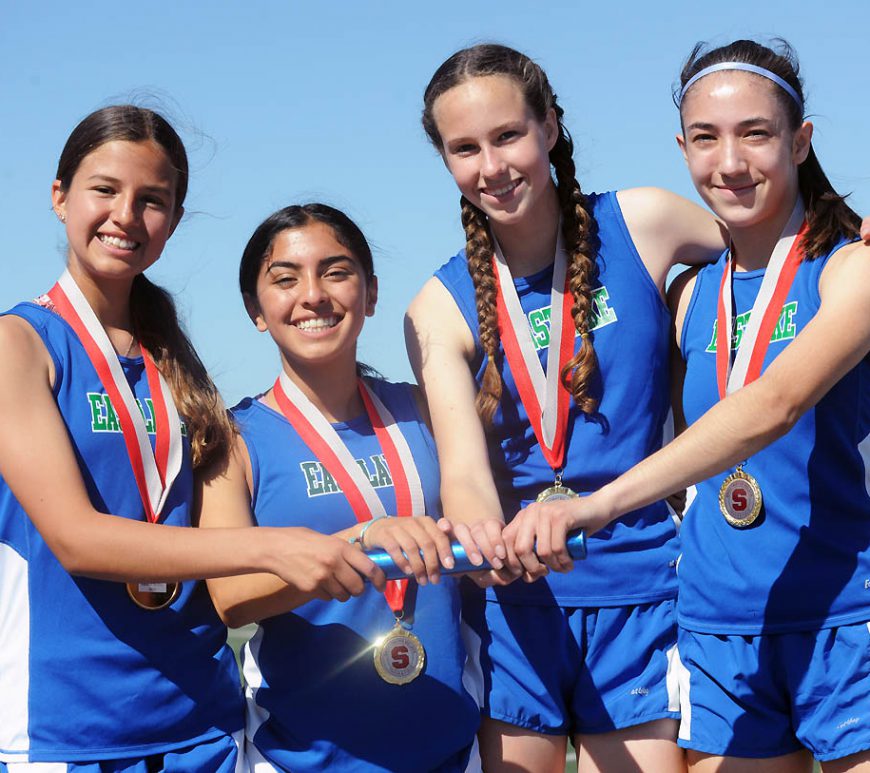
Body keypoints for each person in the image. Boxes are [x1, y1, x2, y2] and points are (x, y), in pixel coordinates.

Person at [505, 39, 870, 771]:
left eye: (755, 133)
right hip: (716, 629)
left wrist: (592, 505)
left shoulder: (853, 267)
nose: (729, 161)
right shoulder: (687, 297)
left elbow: (774, 403)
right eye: (706, 138)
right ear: (682, 149)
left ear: (800, 141)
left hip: (849, 616)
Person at [0, 106, 380, 771]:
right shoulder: (20, 344)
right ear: (59, 196)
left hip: (201, 727)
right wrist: (275, 547)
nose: (125, 214)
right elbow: (75, 537)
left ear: (173, 222)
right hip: (68, 729)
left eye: (152, 200)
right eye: (104, 190)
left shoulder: (174, 359)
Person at [405, 42, 738, 772]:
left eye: (507, 136)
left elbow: (767, 244)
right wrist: (483, 542)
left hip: (644, 590)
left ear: (550, 128)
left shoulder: (643, 221)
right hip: (515, 610)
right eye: (465, 149)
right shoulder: (437, 305)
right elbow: (462, 467)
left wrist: (844, 239)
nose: (491, 167)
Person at [198, 203, 481, 772]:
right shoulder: (233, 438)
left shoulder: (425, 408)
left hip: (448, 747)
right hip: (305, 755)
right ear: (256, 310)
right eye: (285, 279)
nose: (313, 295)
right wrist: (360, 540)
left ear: (370, 294)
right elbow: (229, 599)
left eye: (336, 271)